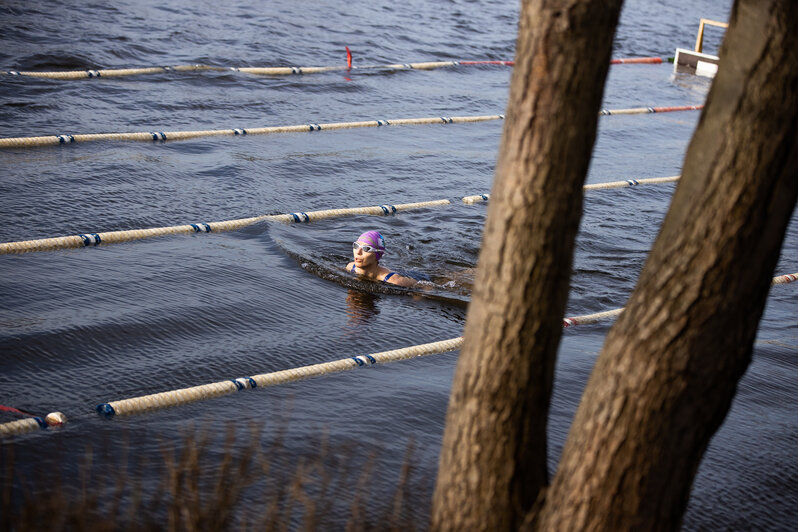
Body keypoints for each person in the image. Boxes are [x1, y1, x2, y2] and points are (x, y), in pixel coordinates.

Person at [346, 231, 417, 287]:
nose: (358, 252)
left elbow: (421, 285)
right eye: (356, 245)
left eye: (366, 249)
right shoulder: (350, 267)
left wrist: (417, 296)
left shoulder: (393, 281)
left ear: (378, 255)